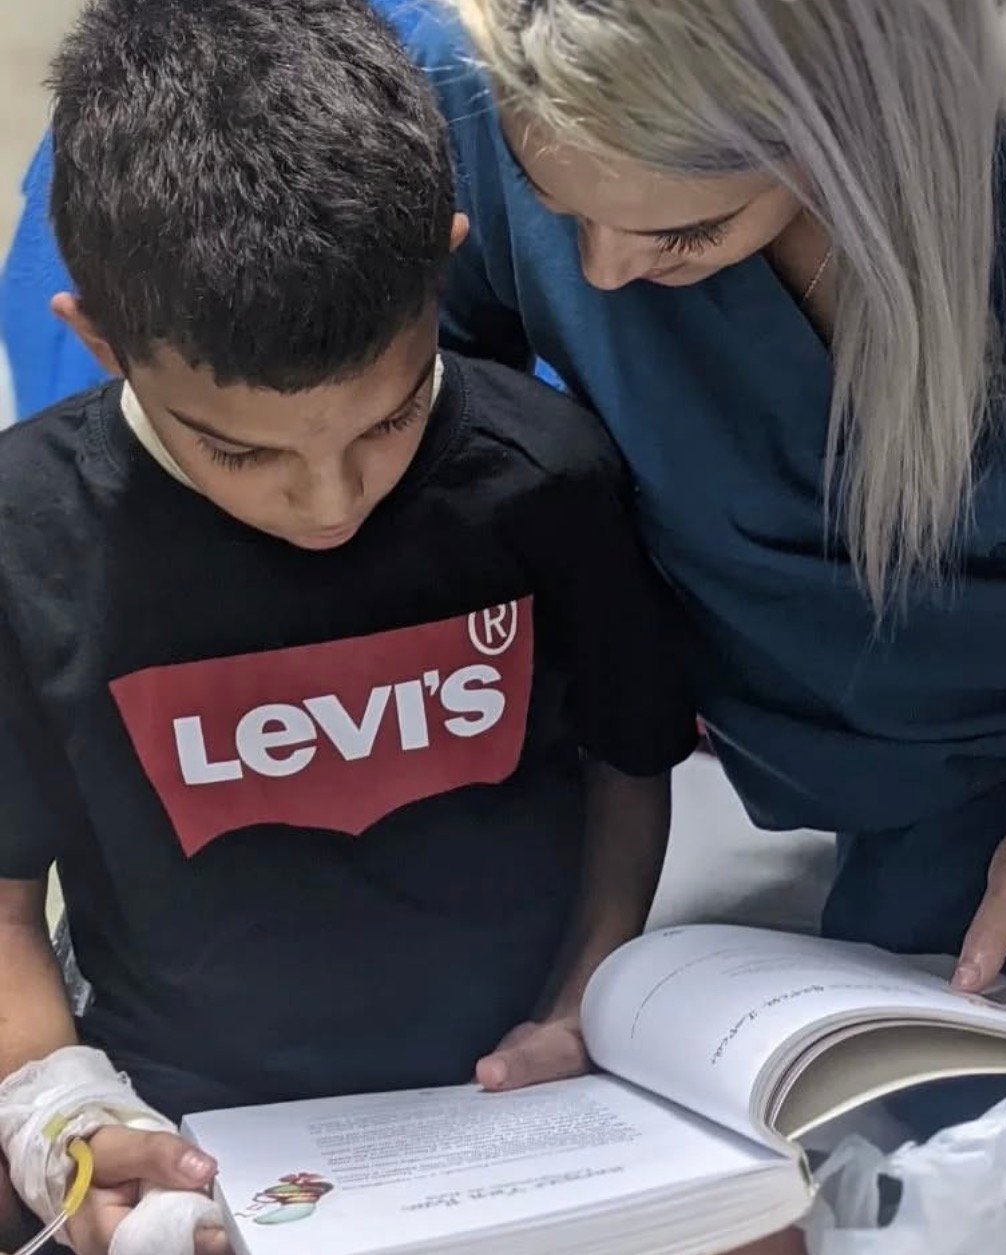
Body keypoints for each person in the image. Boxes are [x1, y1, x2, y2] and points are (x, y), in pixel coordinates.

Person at [8, 0, 1006, 1116]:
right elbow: (371, 450)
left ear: (846, 118)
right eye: (559, 211)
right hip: (885, 835)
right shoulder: (459, 99)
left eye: (685, 234)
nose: (603, 276)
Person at [0, 0, 697, 1251]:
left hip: (513, 1102)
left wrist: (582, 993)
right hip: (182, 1117)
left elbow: (629, 766)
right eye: (242, 451)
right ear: (98, 339)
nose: (330, 502)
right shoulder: (25, 537)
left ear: (444, 266)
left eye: (389, 418)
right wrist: (67, 1114)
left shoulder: (548, 476)